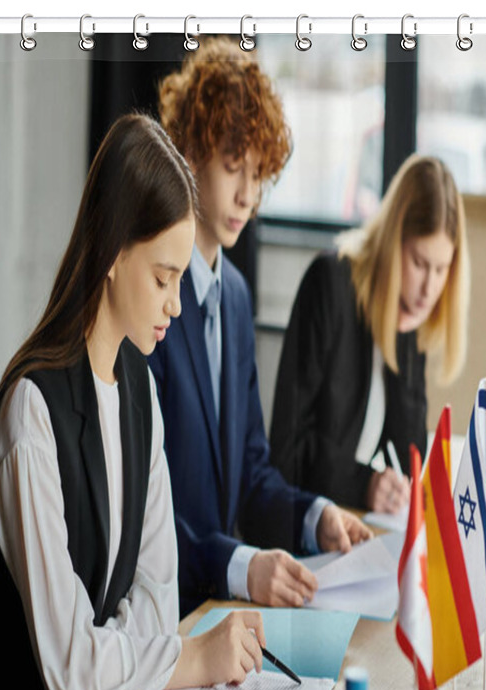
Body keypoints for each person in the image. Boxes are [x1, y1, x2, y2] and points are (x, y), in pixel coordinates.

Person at [0, 114, 267, 690]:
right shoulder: (31, 410)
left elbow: (157, 598)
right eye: (162, 278)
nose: (176, 304)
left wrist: (111, 665)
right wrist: (190, 656)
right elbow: (70, 666)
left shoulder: (141, 389)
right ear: (112, 251)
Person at [152, 36, 371, 619]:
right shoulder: (149, 300)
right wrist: (241, 565)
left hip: (216, 610)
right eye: (232, 167)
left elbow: (250, 472)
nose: (247, 195)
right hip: (157, 611)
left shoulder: (237, 299)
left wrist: (313, 515)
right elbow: (142, 506)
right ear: (190, 150)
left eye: (258, 173)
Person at [269, 154, 470, 514]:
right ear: (393, 242)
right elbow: (288, 451)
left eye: (442, 269)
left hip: (356, 526)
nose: (429, 287)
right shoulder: (330, 283)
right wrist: (365, 485)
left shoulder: (410, 310)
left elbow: (410, 461)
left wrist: (404, 349)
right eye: (420, 264)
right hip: (307, 527)